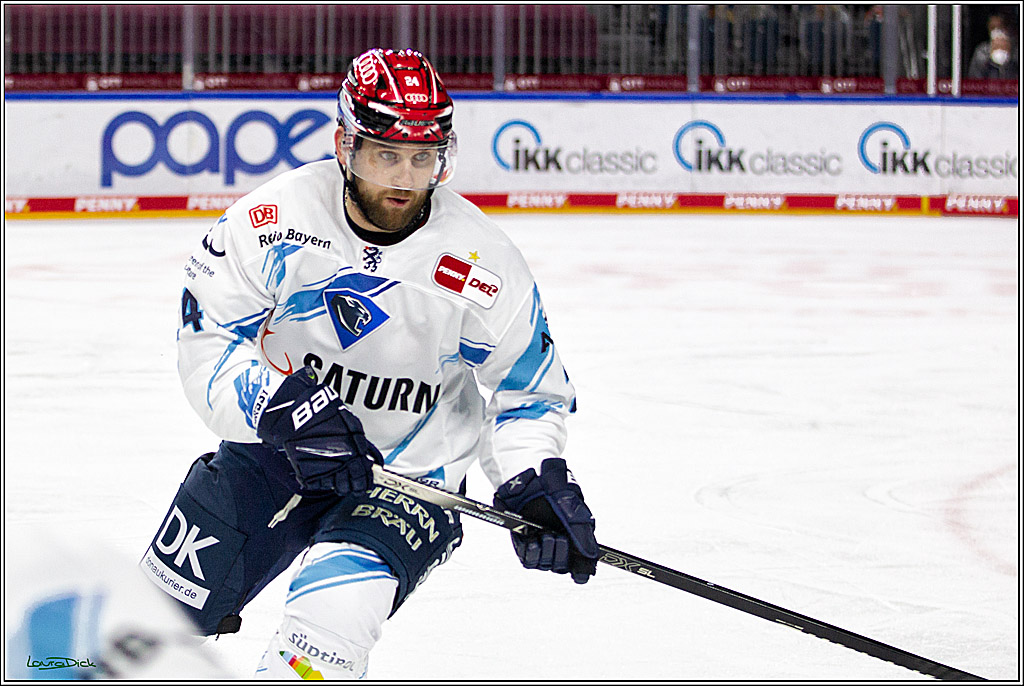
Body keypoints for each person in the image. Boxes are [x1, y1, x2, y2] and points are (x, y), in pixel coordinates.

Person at [138, 47, 598, 679]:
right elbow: (207, 337)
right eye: (387, 154)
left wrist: (530, 479)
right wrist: (272, 405)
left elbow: (528, 393)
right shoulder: (274, 221)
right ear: (345, 146)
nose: (406, 178)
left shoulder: (484, 264)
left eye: (423, 157)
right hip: (275, 452)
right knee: (145, 627)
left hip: (410, 481)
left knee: (322, 637)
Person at [967, 13, 1019, 79]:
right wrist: (990, 58)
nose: (996, 31)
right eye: (993, 27)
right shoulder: (981, 50)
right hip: (988, 88)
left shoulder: (1015, 49)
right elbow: (974, 77)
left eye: (1000, 27)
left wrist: (1009, 55)